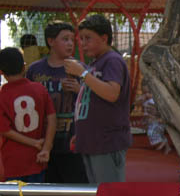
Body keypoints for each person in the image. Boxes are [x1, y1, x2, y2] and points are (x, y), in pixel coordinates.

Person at [64, 14, 131, 184]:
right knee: (98, 195)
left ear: (104, 38)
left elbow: (111, 93)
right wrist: (82, 133)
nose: (83, 43)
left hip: (106, 142)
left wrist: (82, 73)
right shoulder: (96, 62)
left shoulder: (112, 60)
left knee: (110, 195)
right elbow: (92, 98)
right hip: (92, 141)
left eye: (88, 38)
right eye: (82, 38)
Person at [25, 21, 88, 183]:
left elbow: (94, 101)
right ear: (51, 41)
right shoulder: (35, 70)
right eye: (65, 39)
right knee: (46, 190)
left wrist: (79, 89)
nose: (70, 44)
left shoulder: (80, 68)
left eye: (72, 40)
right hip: (43, 143)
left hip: (72, 142)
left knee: (75, 189)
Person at [0, 47, 55, 183]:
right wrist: (46, 147)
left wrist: (34, 143)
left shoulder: (2, 96)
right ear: (24, 67)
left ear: (1, 72)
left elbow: (5, 130)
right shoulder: (39, 89)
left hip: (12, 163)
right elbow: (52, 118)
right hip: (37, 159)